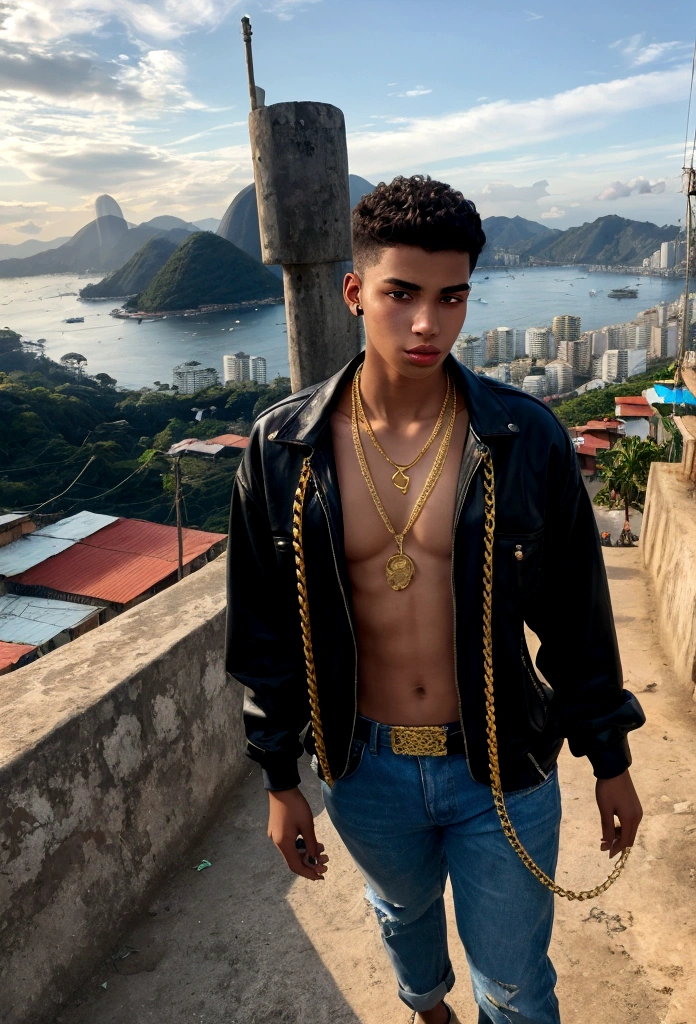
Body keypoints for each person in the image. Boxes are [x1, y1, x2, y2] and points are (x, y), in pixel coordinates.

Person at [226, 175, 645, 1024]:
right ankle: (425, 1007)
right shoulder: (284, 448)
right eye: (401, 294)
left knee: (519, 987)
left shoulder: (525, 443)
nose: (427, 324)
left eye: (451, 298)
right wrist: (280, 779)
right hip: (363, 764)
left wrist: (610, 760)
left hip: (502, 765)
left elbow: (576, 621)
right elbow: (263, 629)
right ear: (355, 292)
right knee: (404, 921)